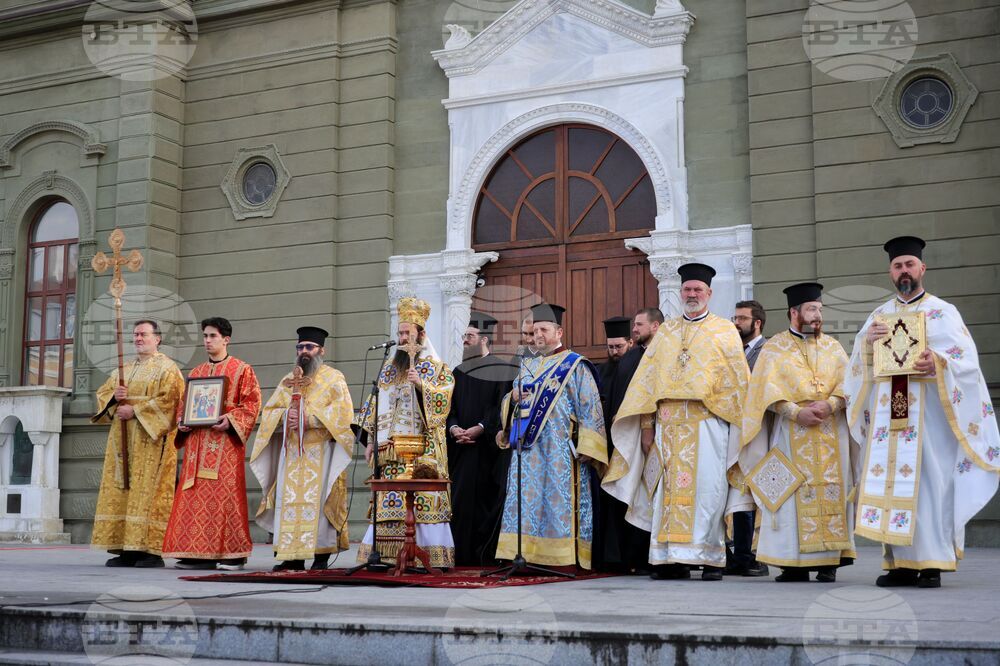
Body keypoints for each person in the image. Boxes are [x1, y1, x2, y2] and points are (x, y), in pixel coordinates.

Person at [846, 236, 999, 588]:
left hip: (928, 418)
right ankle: (901, 565)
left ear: (922, 268)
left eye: (909, 265)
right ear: (890, 271)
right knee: (891, 485)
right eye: (898, 266)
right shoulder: (878, 316)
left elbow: (967, 364)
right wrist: (867, 343)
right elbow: (858, 367)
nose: (904, 271)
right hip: (889, 418)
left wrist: (939, 362)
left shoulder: (943, 312)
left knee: (930, 485)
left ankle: (932, 565)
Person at [603, 264, 749, 581]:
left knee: (709, 490)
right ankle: (671, 560)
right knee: (666, 493)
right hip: (666, 425)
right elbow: (646, 384)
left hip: (708, 422)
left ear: (709, 293)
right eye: (687, 289)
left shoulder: (724, 331)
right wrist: (645, 427)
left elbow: (739, 384)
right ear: (680, 293)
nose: (692, 294)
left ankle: (711, 558)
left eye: (698, 289)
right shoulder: (665, 333)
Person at [739, 284, 857, 583]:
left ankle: (830, 560)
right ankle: (793, 563)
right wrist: (795, 411)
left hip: (831, 429)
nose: (817, 316)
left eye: (820, 310)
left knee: (833, 489)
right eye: (811, 310)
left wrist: (831, 404)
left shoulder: (833, 347)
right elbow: (762, 392)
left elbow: (851, 385)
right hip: (791, 429)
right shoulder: (775, 348)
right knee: (790, 492)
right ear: (794, 312)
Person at [495, 303, 607, 569]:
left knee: (556, 502)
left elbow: (590, 406)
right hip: (526, 449)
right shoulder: (528, 366)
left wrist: (589, 446)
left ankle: (560, 559)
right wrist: (511, 398)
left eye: (544, 329)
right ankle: (522, 555)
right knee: (525, 502)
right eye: (535, 331)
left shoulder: (575, 365)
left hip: (559, 452)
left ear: (559, 332)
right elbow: (510, 403)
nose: (538, 335)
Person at [357, 297, 456, 569]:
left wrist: (422, 385)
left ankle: (428, 555)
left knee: (422, 501)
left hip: (422, 449)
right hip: (390, 453)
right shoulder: (390, 369)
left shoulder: (437, 368)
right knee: (390, 501)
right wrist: (369, 440)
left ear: (421, 334)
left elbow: (444, 402)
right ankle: (387, 555)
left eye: (407, 333)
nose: (402, 338)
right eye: (399, 333)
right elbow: (374, 403)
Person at [250, 326, 356, 571]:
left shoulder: (334, 377)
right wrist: (286, 416)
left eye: (309, 347)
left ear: (321, 350)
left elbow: (343, 413)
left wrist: (310, 419)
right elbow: (270, 412)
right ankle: (292, 557)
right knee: (288, 505)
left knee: (320, 503)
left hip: (321, 452)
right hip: (292, 455)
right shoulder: (288, 380)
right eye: (300, 347)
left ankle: (321, 556)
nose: (304, 351)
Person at [163, 317, 262, 571]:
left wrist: (230, 419)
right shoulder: (196, 373)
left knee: (225, 497)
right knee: (194, 497)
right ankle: (196, 553)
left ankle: (233, 554)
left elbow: (252, 405)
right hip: (197, 446)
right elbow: (185, 407)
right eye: (205, 336)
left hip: (224, 446)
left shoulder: (242, 370)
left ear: (226, 339)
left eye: (212, 336)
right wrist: (182, 422)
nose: (207, 341)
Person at [91, 319, 185, 568]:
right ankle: (126, 548)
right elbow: (103, 393)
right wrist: (115, 397)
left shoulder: (168, 368)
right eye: (135, 334)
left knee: (148, 493)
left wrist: (136, 410)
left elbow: (172, 401)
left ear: (157, 338)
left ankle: (151, 551)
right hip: (122, 442)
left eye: (144, 334)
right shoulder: (125, 368)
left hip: (151, 441)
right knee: (123, 489)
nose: (138, 338)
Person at [447, 312, 512, 566]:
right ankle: (460, 555)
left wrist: (481, 427)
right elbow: (448, 408)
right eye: (464, 336)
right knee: (460, 502)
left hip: (487, 451)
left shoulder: (502, 370)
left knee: (485, 501)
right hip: (460, 449)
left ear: (483, 339)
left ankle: (484, 556)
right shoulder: (457, 371)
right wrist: (454, 428)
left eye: (469, 336)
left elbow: (501, 407)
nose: (465, 340)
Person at [593, 315, 650, 573]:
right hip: (607, 445)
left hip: (635, 441)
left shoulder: (639, 362)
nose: (614, 352)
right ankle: (612, 558)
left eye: (619, 346)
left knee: (635, 499)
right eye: (610, 347)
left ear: (630, 342)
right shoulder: (601, 370)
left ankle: (637, 558)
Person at [725, 300, 770, 577]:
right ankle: (734, 553)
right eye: (735, 317)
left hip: (757, 431)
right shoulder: (730, 353)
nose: (735, 323)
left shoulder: (768, 352)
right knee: (733, 492)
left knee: (752, 493)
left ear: (757, 323)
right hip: (731, 428)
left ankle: (751, 553)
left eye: (741, 319)